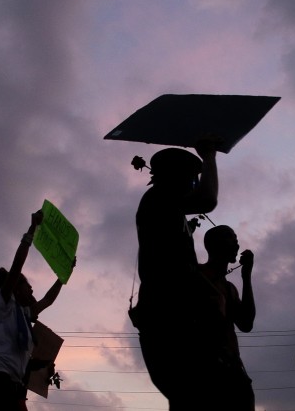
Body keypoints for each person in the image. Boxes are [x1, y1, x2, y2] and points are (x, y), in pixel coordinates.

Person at [130, 141, 219, 410]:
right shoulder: (158, 199)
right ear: (174, 178)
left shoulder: (166, 206)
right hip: (167, 314)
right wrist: (209, 156)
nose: (194, 184)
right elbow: (208, 200)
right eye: (192, 178)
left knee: (190, 395)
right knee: (189, 394)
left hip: (172, 314)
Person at [0, 209, 74, 411]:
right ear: (15, 288)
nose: (32, 289)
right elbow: (16, 265)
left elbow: (48, 300)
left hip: (8, 378)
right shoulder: (5, 304)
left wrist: (64, 274)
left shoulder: (24, 314)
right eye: (27, 285)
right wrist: (32, 229)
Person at [193, 225, 255, 410]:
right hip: (205, 371)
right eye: (231, 238)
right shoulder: (197, 275)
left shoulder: (229, 289)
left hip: (233, 369)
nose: (236, 244)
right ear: (215, 244)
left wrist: (246, 277)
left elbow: (246, 323)